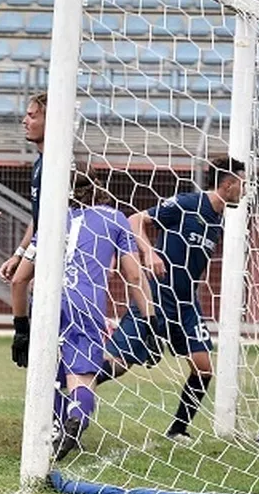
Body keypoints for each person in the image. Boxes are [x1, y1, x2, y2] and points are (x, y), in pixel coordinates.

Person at [99, 155, 247, 442]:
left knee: (203, 369)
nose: (245, 191)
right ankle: (67, 389)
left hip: (187, 303)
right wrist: (148, 251)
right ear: (228, 185)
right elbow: (134, 221)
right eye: (243, 184)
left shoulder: (217, 217)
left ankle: (178, 430)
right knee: (118, 363)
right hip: (157, 296)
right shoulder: (189, 203)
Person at [9, 172, 152, 459]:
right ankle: (76, 419)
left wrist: (21, 327)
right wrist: (150, 317)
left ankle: (55, 426)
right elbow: (134, 274)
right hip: (85, 302)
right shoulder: (115, 219)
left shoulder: (51, 220)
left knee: (49, 372)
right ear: (102, 192)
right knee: (81, 378)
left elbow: (18, 280)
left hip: (46, 302)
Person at [1, 93, 47, 366]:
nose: (24, 120)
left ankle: (23, 334)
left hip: (64, 250)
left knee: (22, 284)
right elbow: (39, 217)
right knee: (21, 284)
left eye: (32, 115)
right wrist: (19, 252)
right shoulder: (40, 162)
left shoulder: (61, 163)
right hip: (43, 243)